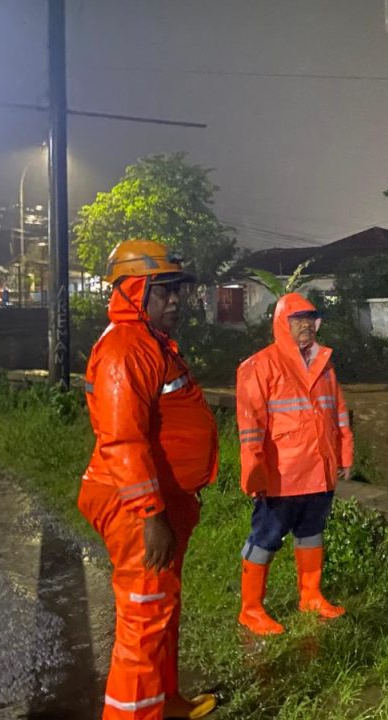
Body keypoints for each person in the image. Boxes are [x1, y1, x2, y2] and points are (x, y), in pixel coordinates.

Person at [78, 239, 218, 720]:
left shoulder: (149, 343)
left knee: (162, 609)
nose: (175, 299)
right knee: (143, 621)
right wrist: (151, 515)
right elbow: (123, 441)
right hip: (137, 506)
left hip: (162, 499)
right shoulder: (125, 349)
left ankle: (166, 703)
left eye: (176, 289)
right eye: (163, 290)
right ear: (135, 291)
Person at [236, 291, 353, 635]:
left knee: (311, 535)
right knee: (264, 541)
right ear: (282, 324)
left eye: (309, 319)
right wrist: (254, 473)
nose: (306, 326)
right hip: (280, 476)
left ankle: (311, 596)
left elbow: (339, 414)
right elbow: (250, 425)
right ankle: (251, 608)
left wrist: (345, 456)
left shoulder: (324, 364)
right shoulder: (259, 366)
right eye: (298, 320)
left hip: (319, 471)